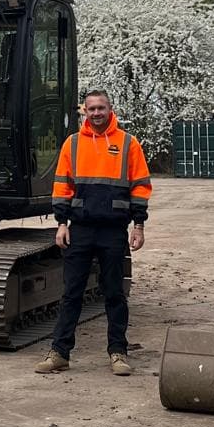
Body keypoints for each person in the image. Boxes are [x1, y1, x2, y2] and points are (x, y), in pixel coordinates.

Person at [35, 88, 151, 376]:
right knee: (71, 294)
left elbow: (140, 187)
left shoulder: (128, 144)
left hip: (113, 231)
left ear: (110, 109)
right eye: (91, 109)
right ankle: (60, 352)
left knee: (114, 295)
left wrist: (139, 225)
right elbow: (62, 186)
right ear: (84, 112)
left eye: (101, 108)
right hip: (81, 230)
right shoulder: (72, 144)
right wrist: (61, 224)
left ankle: (118, 353)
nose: (96, 113)